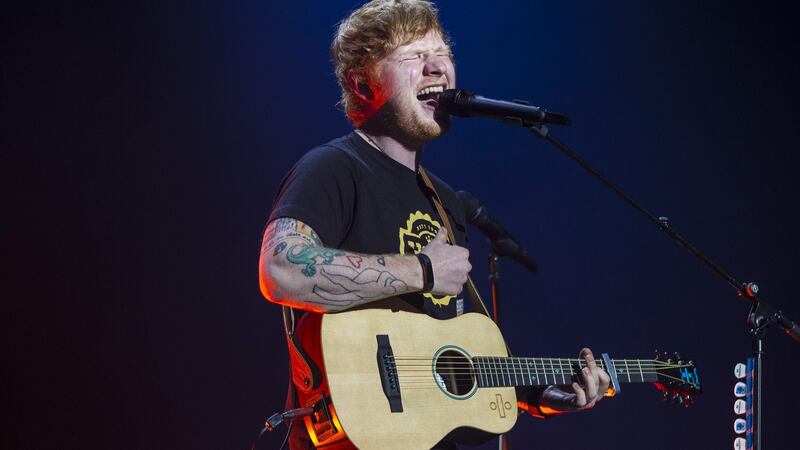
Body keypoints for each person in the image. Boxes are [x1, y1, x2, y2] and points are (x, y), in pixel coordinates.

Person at [258, 1, 610, 448]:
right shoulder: (332, 167)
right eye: (412, 54)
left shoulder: (444, 200)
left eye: (443, 53)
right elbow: (281, 269)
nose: (437, 68)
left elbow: (461, 355)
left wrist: (538, 396)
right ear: (361, 82)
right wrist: (422, 270)